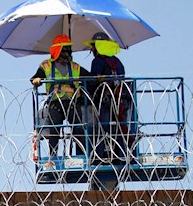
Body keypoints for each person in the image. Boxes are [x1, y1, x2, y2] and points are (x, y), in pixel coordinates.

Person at [31, 34, 90, 158]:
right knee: (54, 131)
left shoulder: (75, 67)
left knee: (78, 130)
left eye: (68, 49)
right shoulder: (46, 65)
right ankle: (53, 157)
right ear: (58, 50)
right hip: (55, 103)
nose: (67, 52)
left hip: (72, 103)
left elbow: (89, 77)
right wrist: (36, 80)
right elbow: (36, 77)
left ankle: (83, 156)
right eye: (65, 49)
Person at [85, 32, 132, 162]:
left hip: (104, 101)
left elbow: (93, 81)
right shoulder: (117, 62)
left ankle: (99, 156)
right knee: (120, 127)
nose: (91, 49)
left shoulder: (97, 62)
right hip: (120, 99)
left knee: (102, 128)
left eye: (93, 46)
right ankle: (122, 154)